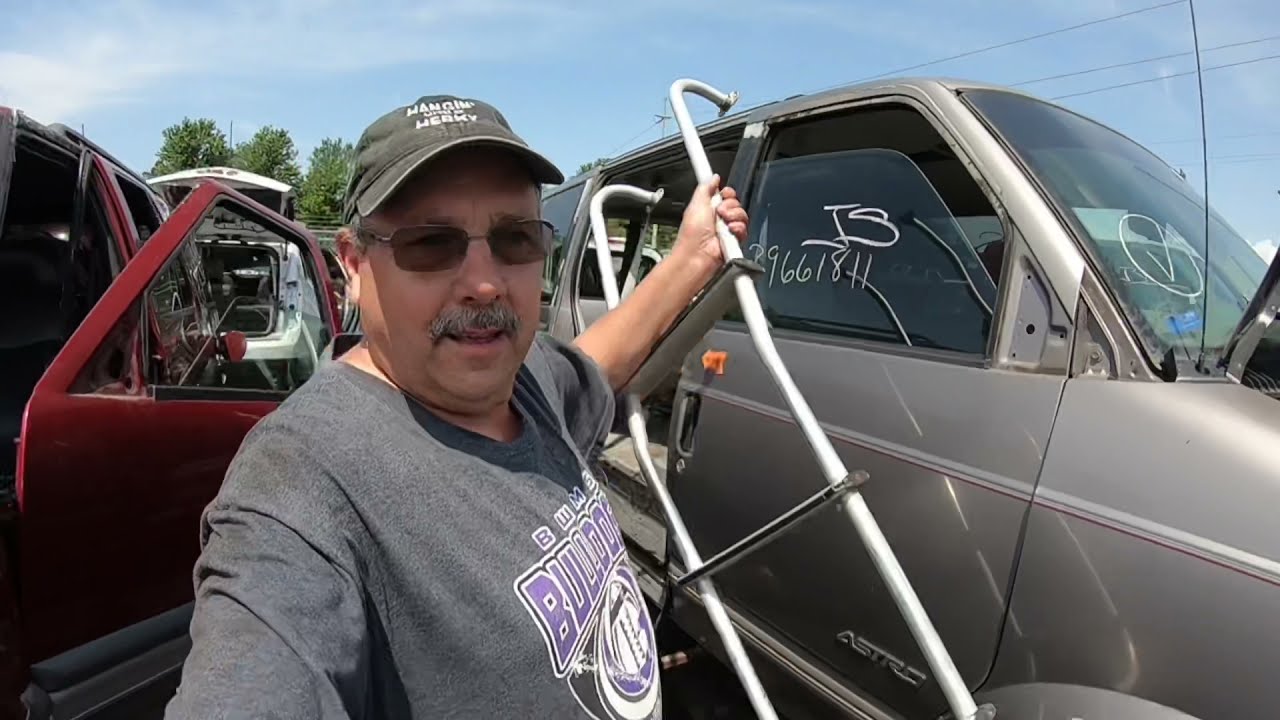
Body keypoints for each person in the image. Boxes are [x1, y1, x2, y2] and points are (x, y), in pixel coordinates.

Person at [164, 93, 749, 720]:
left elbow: (597, 360)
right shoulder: (303, 478)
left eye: (514, 238)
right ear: (354, 265)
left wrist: (694, 257)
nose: (485, 282)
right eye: (431, 244)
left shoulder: (524, 382)